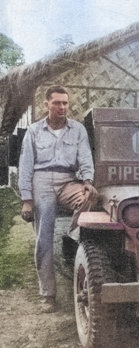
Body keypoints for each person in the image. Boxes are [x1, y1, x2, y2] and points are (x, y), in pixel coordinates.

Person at [18, 85, 98, 313]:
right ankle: (48, 294)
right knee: (43, 238)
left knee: (89, 197)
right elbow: (25, 166)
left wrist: (88, 181)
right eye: (57, 103)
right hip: (41, 180)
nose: (62, 107)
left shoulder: (78, 130)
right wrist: (27, 198)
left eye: (65, 103)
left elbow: (85, 158)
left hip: (67, 179)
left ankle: (71, 239)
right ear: (47, 105)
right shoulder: (34, 131)